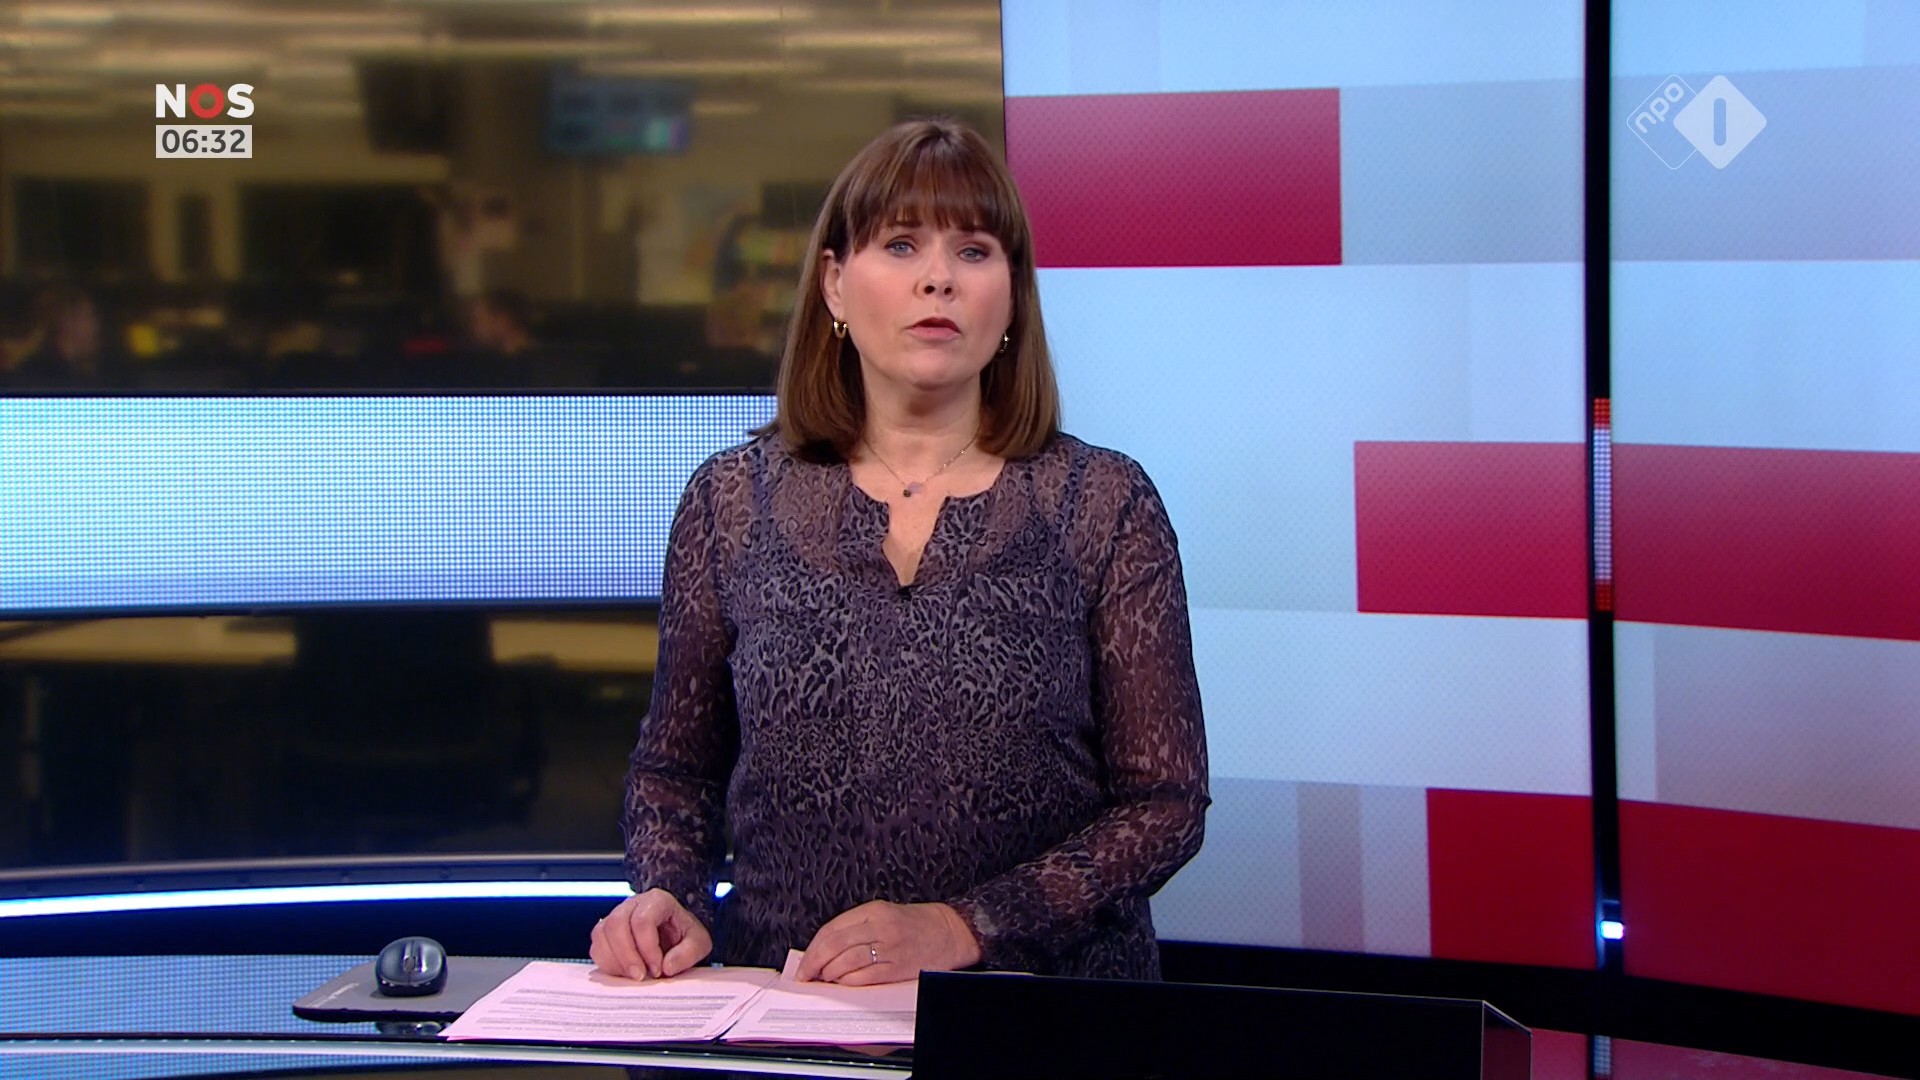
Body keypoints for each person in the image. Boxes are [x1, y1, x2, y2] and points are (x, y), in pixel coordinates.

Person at [591, 118, 1208, 987]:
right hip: (794, 1012)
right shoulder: (730, 502)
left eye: (974, 251)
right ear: (835, 285)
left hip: (1043, 1014)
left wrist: (967, 927)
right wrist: (669, 894)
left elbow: (1165, 805)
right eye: (903, 244)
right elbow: (673, 772)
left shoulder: (1103, 503)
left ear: (1011, 296)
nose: (938, 278)